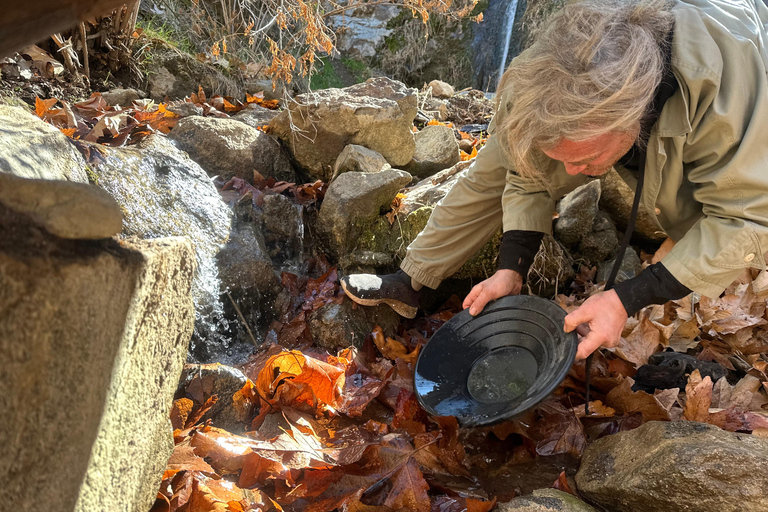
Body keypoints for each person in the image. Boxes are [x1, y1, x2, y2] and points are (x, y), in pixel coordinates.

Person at [342, 0, 768, 361]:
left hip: (738, 59)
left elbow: (747, 218)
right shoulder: (546, 71)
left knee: (713, 209)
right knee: (502, 162)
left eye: (586, 159)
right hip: (614, 56)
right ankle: (413, 278)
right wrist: (512, 268)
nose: (574, 174)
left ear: (633, 121)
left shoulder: (724, 93)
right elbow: (526, 175)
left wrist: (626, 298)